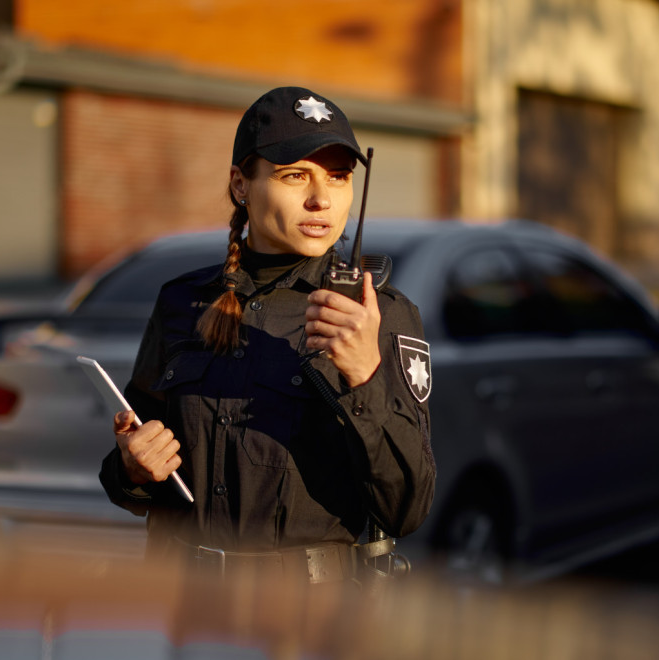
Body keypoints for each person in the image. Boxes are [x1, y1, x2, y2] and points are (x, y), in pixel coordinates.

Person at [99, 86, 436, 587]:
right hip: (179, 605)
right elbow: (130, 471)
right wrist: (134, 469)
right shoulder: (181, 302)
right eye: (295, 175)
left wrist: (364, 375)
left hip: (307, 617)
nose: (321, 198)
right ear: (241, 184)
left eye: (338, 178)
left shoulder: (375, 315)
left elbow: (408, 508)